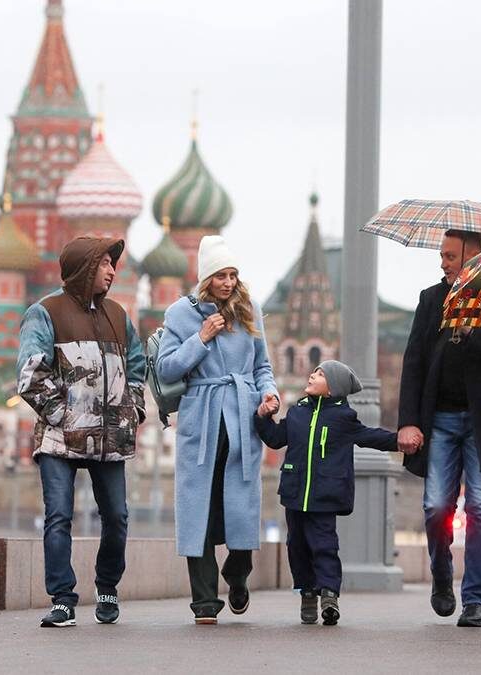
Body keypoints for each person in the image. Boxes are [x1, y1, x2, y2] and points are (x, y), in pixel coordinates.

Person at [397, 229, 481, 628]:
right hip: (440, 420)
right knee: (436, 507)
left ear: (474, 256)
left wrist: (473, 332)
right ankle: (441, 573)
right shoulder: (431, 299)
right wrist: (407, 421)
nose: (443, 262)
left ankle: (475, 601)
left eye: (450, 256)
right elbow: (414, 362)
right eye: (442, 255)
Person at [17, 235, 147, 629]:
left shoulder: (118, 316)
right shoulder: (45, 313)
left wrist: (133, 408)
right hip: (60, 439)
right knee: (58, 517)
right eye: (106, 264)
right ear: (87, 268)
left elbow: (138, 366)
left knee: (117, 517)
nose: (112, 271)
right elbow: (29, 372)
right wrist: (62, 415)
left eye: (113, 264)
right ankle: (62, 599)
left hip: (111, 438)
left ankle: (107, 588)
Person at [157, 235, 279, 625]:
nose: (228, 282)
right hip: (202, 417)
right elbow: (167, 369)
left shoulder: (250, 310)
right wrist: (201, 337)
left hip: (243, 416)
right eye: (220, 275)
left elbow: (262, 367)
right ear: (206, 277)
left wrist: (270, 395)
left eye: (233, 275)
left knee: (242, 505)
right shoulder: (180, 314)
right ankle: (204, 600)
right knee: (199, 510)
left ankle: (237, 573)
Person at [255, 361, 398, 626]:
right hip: (295, 493)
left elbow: (370, 436)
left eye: (320, 375)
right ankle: (307, 593)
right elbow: (275, 438)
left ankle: (329, 595)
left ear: (332, 389)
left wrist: (399, 440)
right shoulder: (297, 412)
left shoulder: (343, 418)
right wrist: (262, 417)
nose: (312, 375)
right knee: (296, 547)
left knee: (324, 546)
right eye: (315, 371)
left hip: (325, 495)